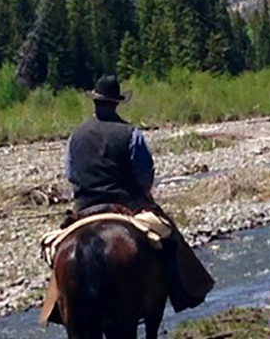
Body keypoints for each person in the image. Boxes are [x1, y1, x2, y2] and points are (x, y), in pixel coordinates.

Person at [61, 74, 212, 309]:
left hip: (84, 207)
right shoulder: (130, 134)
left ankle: (57, 308)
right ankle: (183, 292)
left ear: (95, 102)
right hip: (127, 204)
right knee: (168, 237)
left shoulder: (75, 136)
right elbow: (144, 174)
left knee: (57, 252)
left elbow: (71, 173)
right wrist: (142, 195)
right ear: (116, 103)